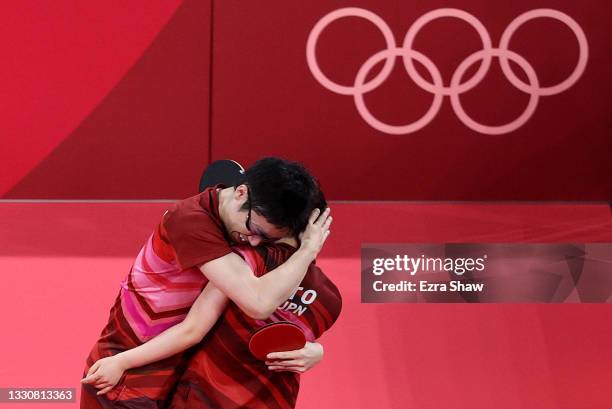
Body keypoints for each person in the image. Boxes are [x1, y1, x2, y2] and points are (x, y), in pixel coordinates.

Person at [80, 158, 332, 408]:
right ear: (241, 192)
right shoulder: (189, 222)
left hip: (178, 378)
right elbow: (258, 304)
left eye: (265, 238)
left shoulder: (246, 221)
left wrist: (313, 349)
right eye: (254, 230)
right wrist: (308, 250)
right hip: (126, 374)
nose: (254, 242)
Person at [84, 236, 341, 408]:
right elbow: (298, 345)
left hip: (202, 396)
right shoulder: (331, 297)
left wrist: (121, 360)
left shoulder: (247, 262)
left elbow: (192, 329)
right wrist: (317, 350)